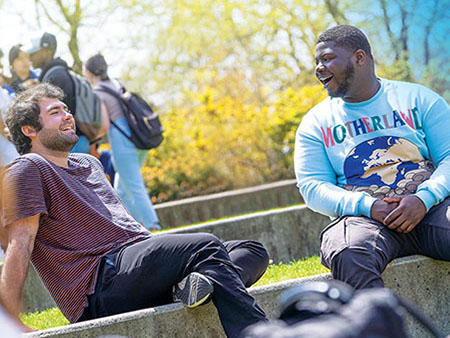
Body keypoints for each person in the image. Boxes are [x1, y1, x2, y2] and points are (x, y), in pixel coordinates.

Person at [0, 83, 269, 337]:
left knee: (253, 250)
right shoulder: (28, 169)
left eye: (67, 109)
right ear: (29, 130)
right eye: (55, 112)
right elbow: (20, 243)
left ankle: (190, 286)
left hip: (136, 264)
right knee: (205, 246)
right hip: (99, 283)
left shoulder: (88, 163)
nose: (68, 116)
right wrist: (10, 320)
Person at [294, 25, 450, 289]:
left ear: (359, 57)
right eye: (317, 62)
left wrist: (424, 198)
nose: (319, 68)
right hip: (363, 222)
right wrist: (368, 206)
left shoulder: (418, 98)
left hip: (432, 209)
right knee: (347, 250)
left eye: (328, 58)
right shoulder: (315, 123)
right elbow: (313, 186)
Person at [84, 53, 161, 230]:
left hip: (122, 141)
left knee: (133, 185)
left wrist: (90, 138)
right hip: (139, 137)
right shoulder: (117, 84)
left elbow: (104, 125)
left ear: (89, 72)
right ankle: (134, 226)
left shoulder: (97, 92)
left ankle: (152, 224)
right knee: (121, 191)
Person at [25, 32, 105, 153]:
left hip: (69, 144)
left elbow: (58, 116)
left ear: (47, 52)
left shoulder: (55, 77)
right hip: (78, 140)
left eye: (34, 53)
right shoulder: (61, 72)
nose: (30, 58)